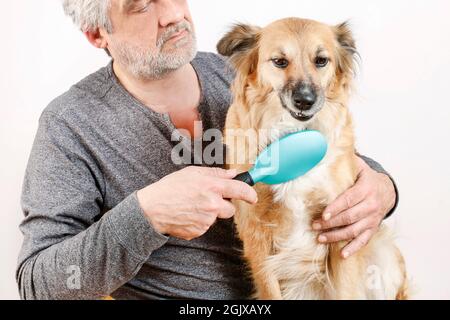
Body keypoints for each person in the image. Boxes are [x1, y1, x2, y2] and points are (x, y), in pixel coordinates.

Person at [17, 0, 398, 300]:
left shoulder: (244, 74)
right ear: (97, 33)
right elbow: (40, 284)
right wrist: (146, 216)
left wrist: (383, 188)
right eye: (141, 4)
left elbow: (326, 150)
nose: (172, 14)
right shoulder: (70, 125)